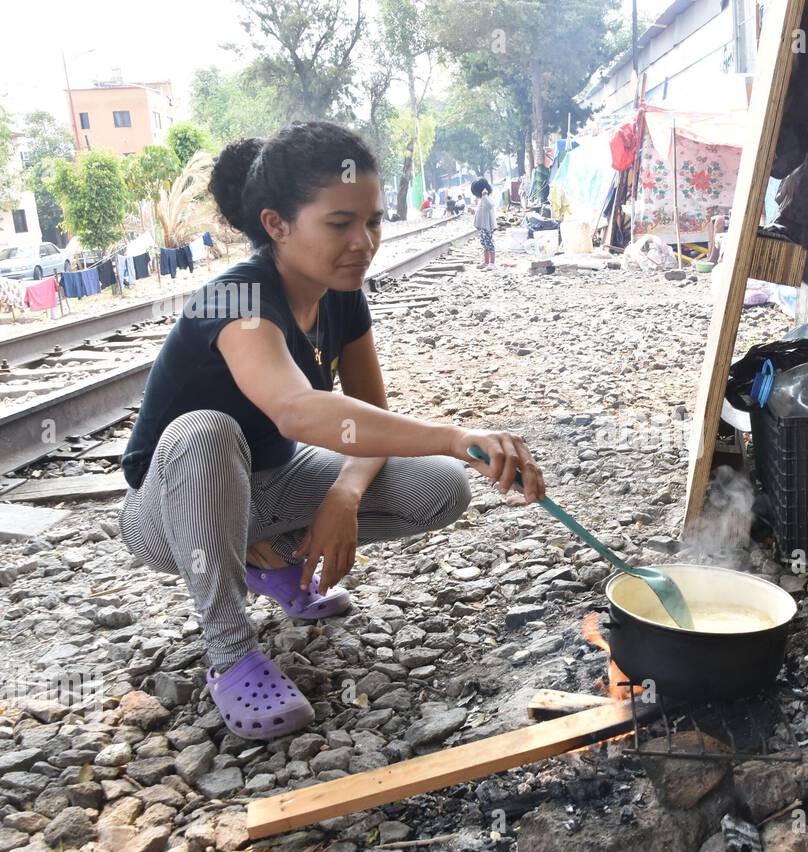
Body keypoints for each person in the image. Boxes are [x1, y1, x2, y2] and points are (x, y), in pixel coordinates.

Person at [116, 121, 546, 741]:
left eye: (372, 221)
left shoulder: (341, 295)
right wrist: (453, 432)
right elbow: (297, 411)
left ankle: (272, 559)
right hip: (167, 513)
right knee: (203, 431)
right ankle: (231, 652)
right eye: (339, 224)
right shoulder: (227, 300)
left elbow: (369, 416)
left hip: (266, 486)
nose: (363, 242)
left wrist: (345, 495)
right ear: (276, 225)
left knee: (440, 486)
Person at [471, 177, 496, 268]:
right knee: (484, 244)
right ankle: (486, 262)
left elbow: (490, 205)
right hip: (482, 226)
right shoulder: (482, 199)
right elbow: (480, 211)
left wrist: (485, 195)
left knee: (489, 244)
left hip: (487, 226)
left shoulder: (487, 198)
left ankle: (492, 263)